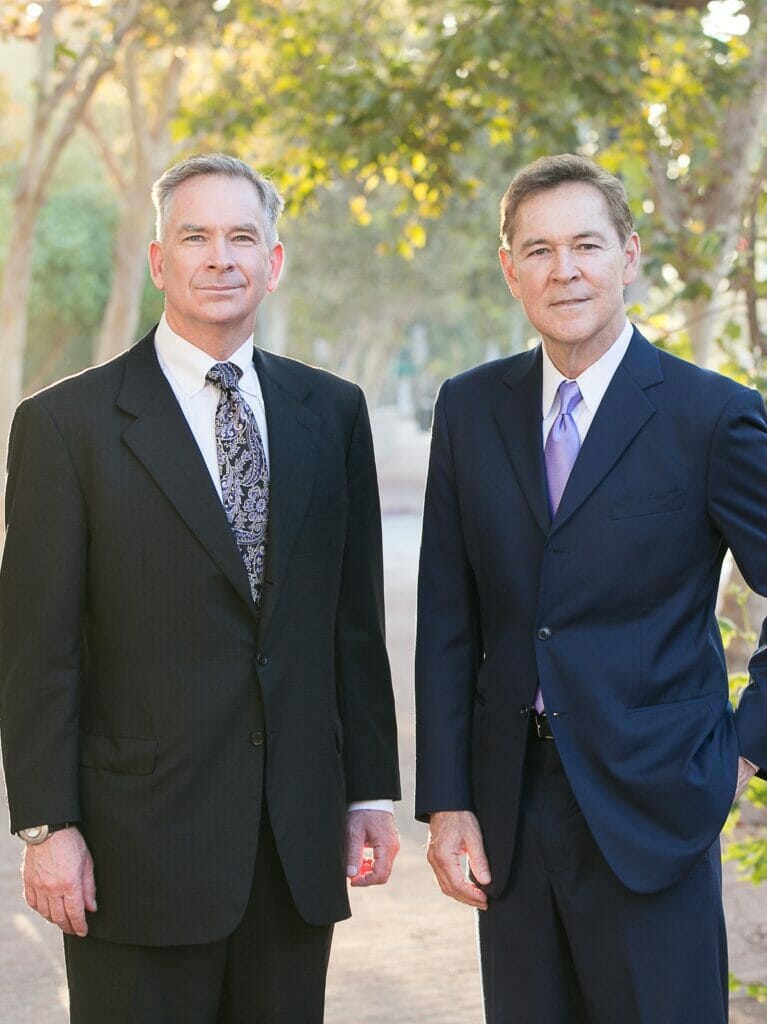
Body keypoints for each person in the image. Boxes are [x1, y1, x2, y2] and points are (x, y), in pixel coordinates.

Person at [0, 153, 400, 1023]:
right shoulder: (66, 427)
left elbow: (352, 621)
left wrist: (368, 790)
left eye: (241, 237)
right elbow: (38, 649)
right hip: (133, 850)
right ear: (158, 262)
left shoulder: (330, 412)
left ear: (273, 261)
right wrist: (46, 827)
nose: (220, 257)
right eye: (195, 236)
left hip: (291, 844)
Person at [415, 153, 767, 1024]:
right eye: (536, 250)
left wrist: (740, 753)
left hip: (655, 802)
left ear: (628, 256)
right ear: (508, 268)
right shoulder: (468, 408)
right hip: (510, 810)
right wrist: (448, 799)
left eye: (584, 245)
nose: (562, 270)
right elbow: (447, 618)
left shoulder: (711, 417)